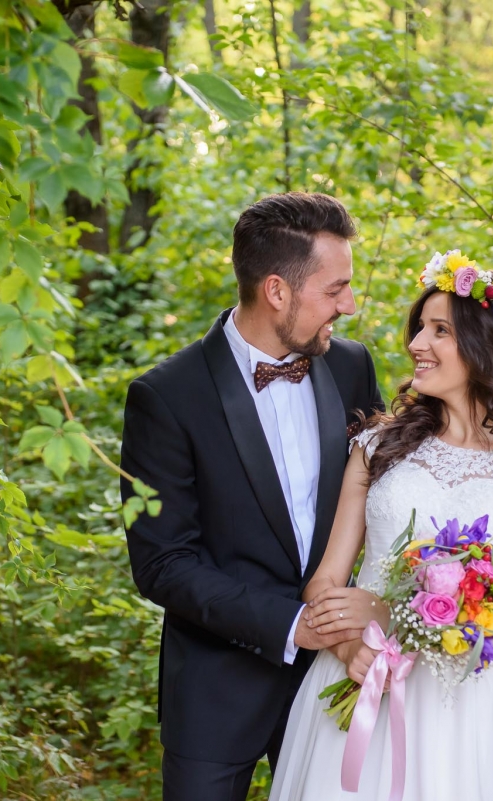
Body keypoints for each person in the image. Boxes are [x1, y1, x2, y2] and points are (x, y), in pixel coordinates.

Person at [268, 251, 493, 801]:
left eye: (439, 330)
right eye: (420, 328)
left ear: (487, 348)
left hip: (462, 713)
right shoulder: (376, 448)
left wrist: (393, 618)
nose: (417, 344)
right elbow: (323, 582)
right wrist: (351, 647)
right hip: (358, 679)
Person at [120, 192, 384, 800]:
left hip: (335, 681)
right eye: (335, 289)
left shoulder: (350, 367)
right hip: (216, 692)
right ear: (277, 291)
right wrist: (294, 623)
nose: (349, 305)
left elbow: (381, 503)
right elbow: (163, 564)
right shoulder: (166, 397)